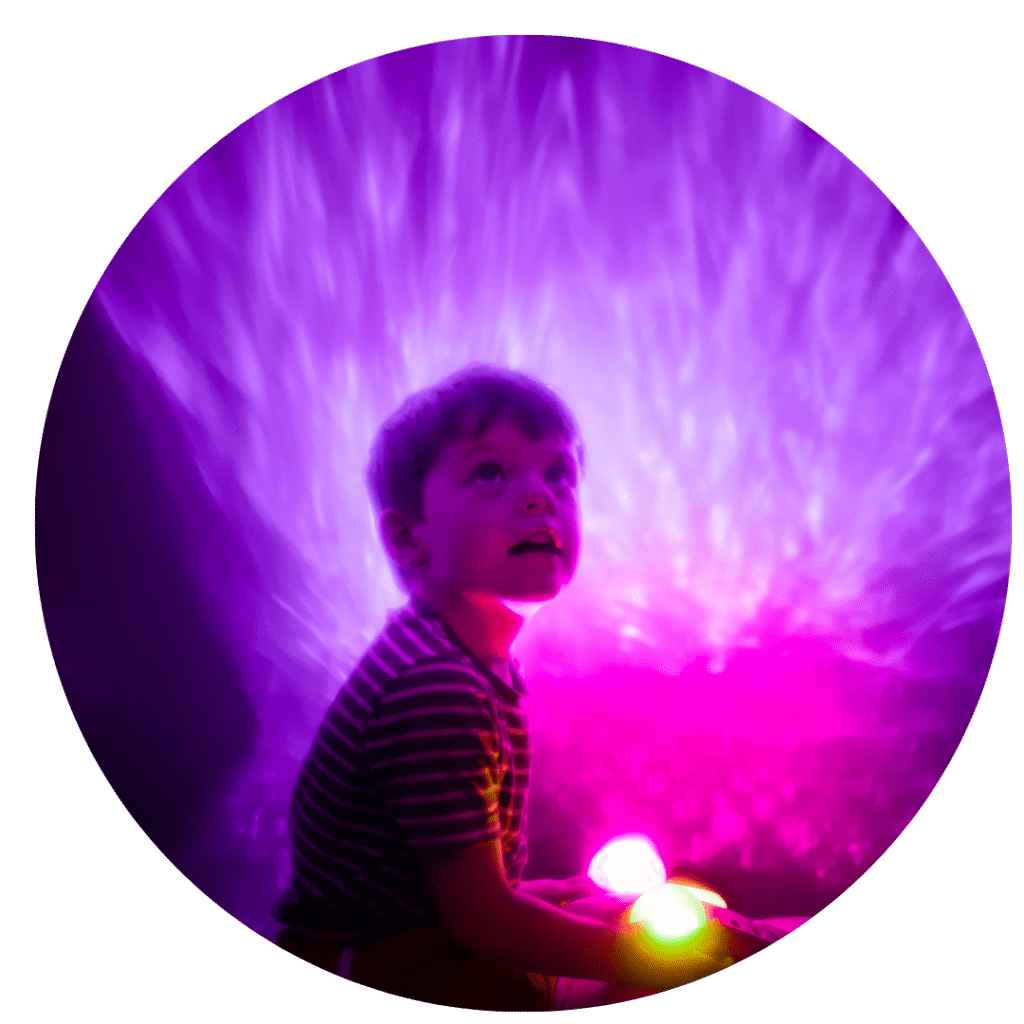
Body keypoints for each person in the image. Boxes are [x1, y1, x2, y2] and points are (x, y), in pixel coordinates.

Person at [272, 365, 731, 1009]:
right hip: (375, 965)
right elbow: (480, 924)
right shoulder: (435, 689)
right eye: (489, 473)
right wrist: (649, 960)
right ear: (408, 537)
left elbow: (451, 891)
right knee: (707, 956)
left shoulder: (457, 662)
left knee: (641, 910)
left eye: (558, 474)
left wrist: (556, 898)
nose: (539, 497)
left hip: (413, 939)